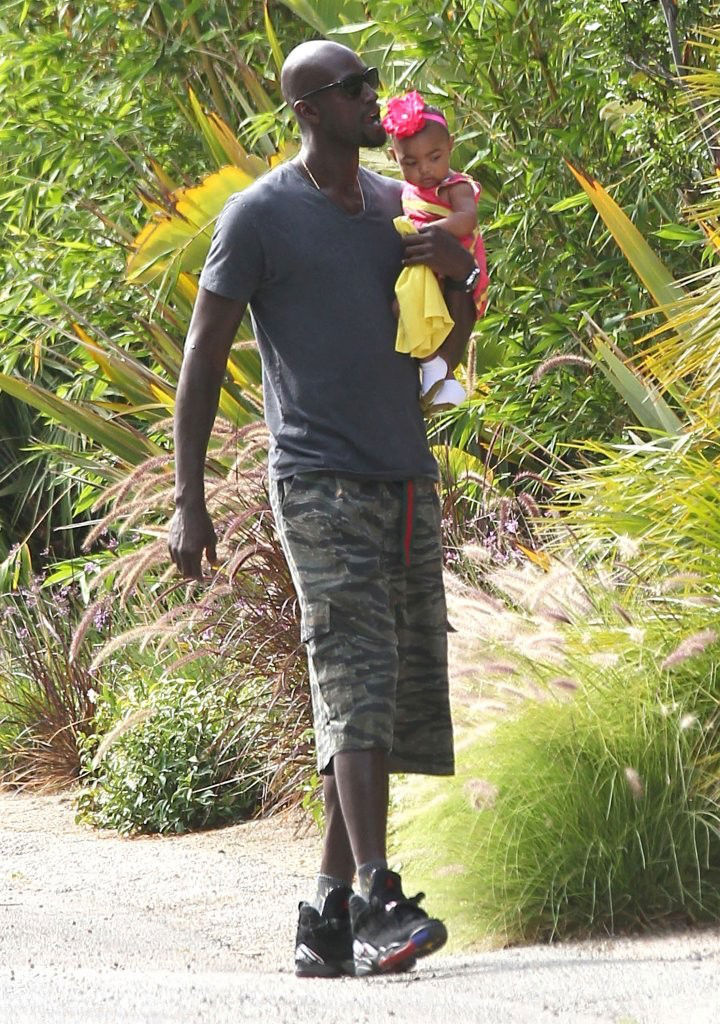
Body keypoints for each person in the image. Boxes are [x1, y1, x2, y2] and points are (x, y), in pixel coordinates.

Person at [167, 39, 479, 978]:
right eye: (352, 89)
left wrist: (453, 266)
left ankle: (325, 913)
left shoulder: (398, 208)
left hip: (405, 473)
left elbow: (447, 353)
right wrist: (188, 501)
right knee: (351, 671)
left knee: (387, 687)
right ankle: (381, 895)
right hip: (316, 478)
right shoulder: (259, 216)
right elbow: (202, 357)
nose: (372, 102)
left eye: (372, 84)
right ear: (308, 108)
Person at [383, 90, 489, 409]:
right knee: (405, 311)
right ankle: (440, 377)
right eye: (411, 162)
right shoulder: (407, 191)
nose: (425, 170)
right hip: (429, 268)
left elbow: (466, 220)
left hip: (456, 262)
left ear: (450, 147)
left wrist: (429, 234)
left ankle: (436, 372)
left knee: (409, 310)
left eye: (435, 157)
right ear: (393, 158)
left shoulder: (454, 186)